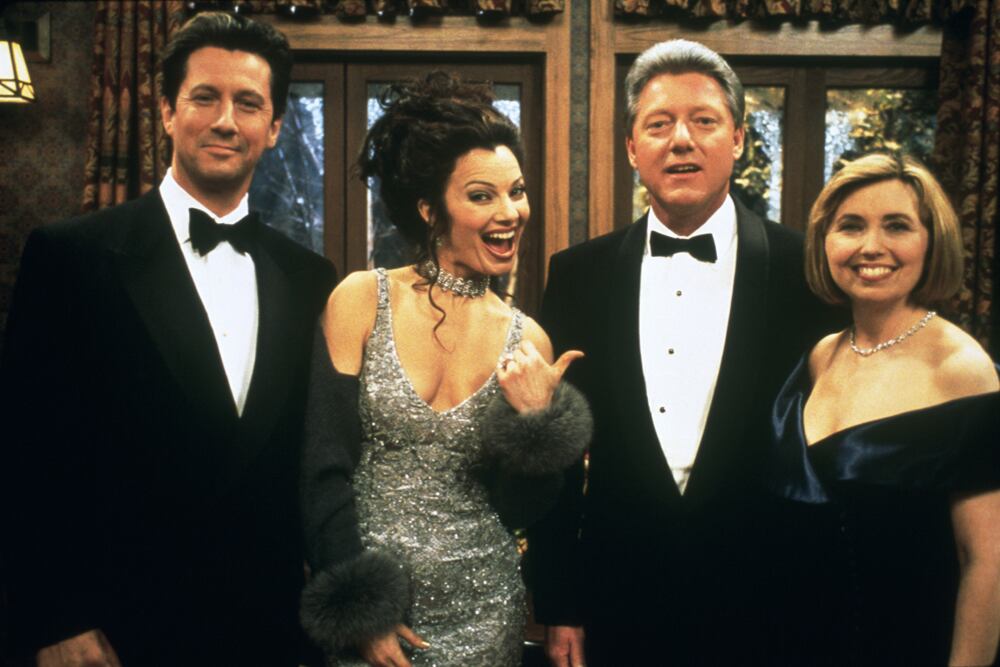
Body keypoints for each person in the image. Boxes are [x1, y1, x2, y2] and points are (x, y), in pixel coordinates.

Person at [0, 12, 336, 666]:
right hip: (115, 632)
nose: (225, 121)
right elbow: (25, 450)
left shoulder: (310, 278)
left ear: (273, 126)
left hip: (267, 634)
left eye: (248, 104)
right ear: (165, 112)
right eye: (204, 97)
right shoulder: (72, 257)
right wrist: (56, 618)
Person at [527, 39, 837, 666]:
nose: (681, 141)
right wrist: (559, 603)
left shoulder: (808, 272)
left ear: (739, 138)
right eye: (659, 124)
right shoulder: (577, 275)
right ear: (631, 147)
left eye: (704, 121)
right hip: (619, 603)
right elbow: (554, 454)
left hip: (771, 605)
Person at [298, 72, 592, 667]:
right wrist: (364, 613)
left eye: (517, 191)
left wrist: (536, 422)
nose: (511, 212)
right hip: (373, 615)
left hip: (486, 614)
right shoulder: (360, 300)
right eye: (482, 196)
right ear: (430, 209)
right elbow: (321, 469)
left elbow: (521, 511)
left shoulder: (529, 339)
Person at [765, 153, 1000, 666]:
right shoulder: (821, 355)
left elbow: (986, 564)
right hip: (797, 643)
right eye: (851, 226)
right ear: (824, 242)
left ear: (931, 241)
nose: (871, 246)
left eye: (897, 226)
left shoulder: (962, 369)